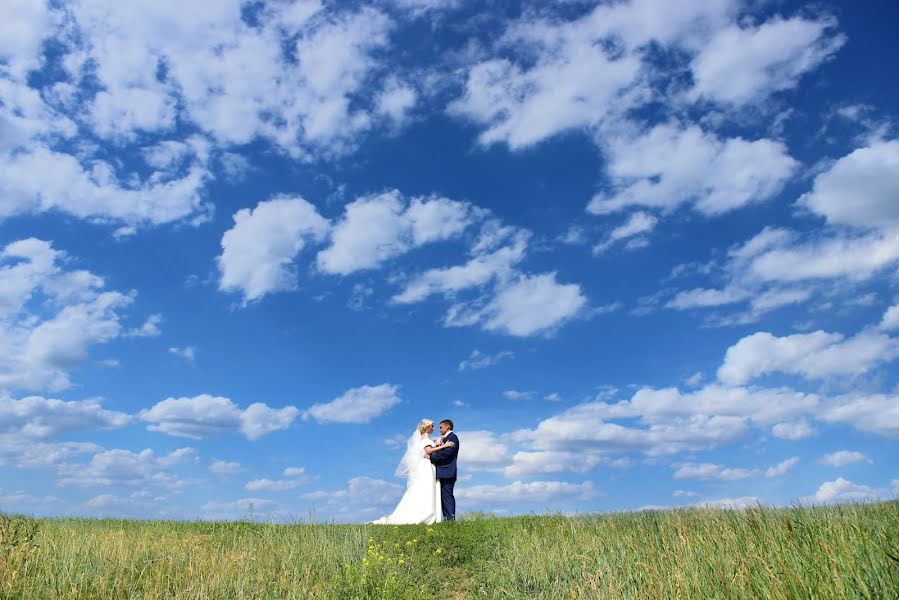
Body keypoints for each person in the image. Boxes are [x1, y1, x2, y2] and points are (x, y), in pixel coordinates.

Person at [370, 419, 453, 525]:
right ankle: (425, 513)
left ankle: (426, 511)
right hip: (426, 466)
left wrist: (437, 445)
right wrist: (444, 446)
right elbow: (428, 451)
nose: (434, 428)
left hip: (427, 465)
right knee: (427, 487)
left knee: (426, 488)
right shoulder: (425, 439)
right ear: (427, 428)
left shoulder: (424, 439)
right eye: (432, 426)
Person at [428, 419, 459, 521]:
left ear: (447, 427)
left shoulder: (452, 438)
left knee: (447, 496)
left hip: (447, 472)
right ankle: (447, 519)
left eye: (441, 427)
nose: (439, 429)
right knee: (442, 497)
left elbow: (447, 453)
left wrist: (431, 457)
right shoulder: (445, 438)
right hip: (443, 472)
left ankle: (450, 520)